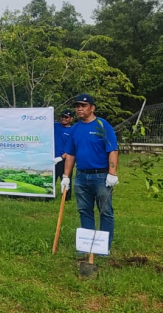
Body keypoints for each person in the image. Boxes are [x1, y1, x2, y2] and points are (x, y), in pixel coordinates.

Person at [61, 94, 118, 251]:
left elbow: (112, 150)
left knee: (105, 211)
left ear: (92, 108)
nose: (79, 108)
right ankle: (87, 245)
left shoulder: (102, 125)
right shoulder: (75, 129)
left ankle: (103, 247)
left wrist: (112, 173)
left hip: (101, 176)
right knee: (84, 210)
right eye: (77, 106)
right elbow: (70, 154)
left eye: (83, 106)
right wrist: (66, 176)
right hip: (81, 176)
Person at [53, 110, 74, 200]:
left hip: (64, 159)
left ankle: (66, 198)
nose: (63, 119)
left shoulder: (73, 131)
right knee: (51, 179)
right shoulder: (56, 125)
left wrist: (62, 157)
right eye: (62, 117)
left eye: (66, 117)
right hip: (52, 158)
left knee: (65, 178)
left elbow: (72, 148)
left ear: (71, 119)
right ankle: (48, 197)